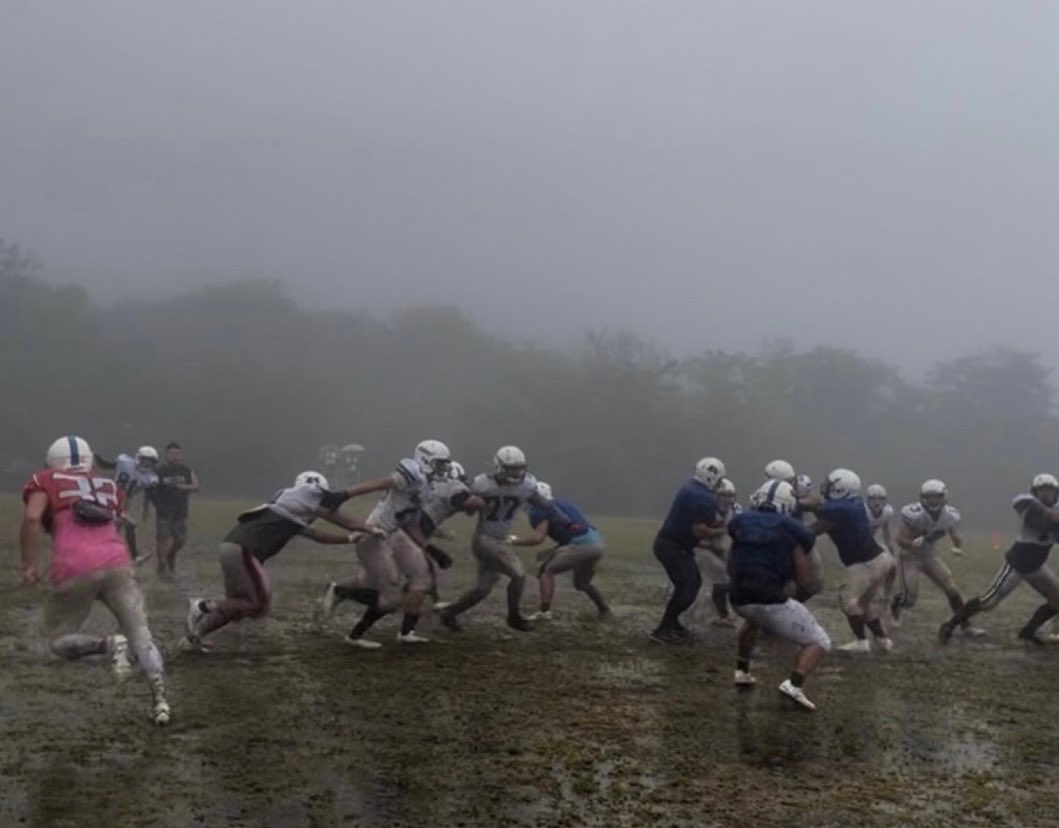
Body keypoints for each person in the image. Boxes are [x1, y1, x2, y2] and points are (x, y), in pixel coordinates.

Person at [20, 436, 171, 725]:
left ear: (53, 460)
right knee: (142, 634)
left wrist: (29, 565)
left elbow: (31, 520)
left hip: (75, 567)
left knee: (58, 642)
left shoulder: (45, 479)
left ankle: (110, 645)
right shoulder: (110, 487)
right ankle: (161, 701)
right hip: (117, 562)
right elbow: (108, 521)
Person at [183, 471, 378, 651]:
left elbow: (317, 535)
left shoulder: (289, 505)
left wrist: (349, 538)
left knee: (238, 604)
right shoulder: (309, 493)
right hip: (245, 549)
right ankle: (201, 606)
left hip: (233, 547)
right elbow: (341, 518)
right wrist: (368, 527)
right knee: (255, 605)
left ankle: (194, 636)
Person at [321, 440, 451, 648]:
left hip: (393, 533)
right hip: (373, 533)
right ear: (426, 460)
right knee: (391, 596)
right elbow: (379, 483)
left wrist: (430, 549)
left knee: (421, 577)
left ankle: (406, 632)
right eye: (440, 463)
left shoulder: (428, 486)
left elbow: (411, 524)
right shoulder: (412, 473)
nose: (443, 468)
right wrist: (344, 494)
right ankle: (347, 615)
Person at [729, 479, 830, 710]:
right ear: (788, 503)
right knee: (820, 641)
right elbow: (803, 578)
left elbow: (732, 562)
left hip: (738, 598)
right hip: (768, 598)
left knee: (753, 621)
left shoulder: (740, 522)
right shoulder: (791, 528)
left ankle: (742, 670)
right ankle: (794, 685)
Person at [939, 474, 1059, 645]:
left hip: (1037, 566)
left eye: (1050, 491)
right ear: (1035, 492)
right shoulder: (1028, 506)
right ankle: (950, 625)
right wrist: (1051, 514)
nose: (1047, 495)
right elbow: (1037, 518)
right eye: (1043, 491)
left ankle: (1028, 631)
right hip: (1016, 565)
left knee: (1057, 601)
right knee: (988, 603)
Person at [438, 445, 547, 633]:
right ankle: (514, 617)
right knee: (518, 573)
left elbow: (544, 503)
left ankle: (448, 612)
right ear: (499, 467)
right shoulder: (482, 483)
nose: (515, 472)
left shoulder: (526, 485)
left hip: (499, 540)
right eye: (510, 468)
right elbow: (464, 504)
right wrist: (469, 505)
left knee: (483, 589)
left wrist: (564, 519)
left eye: (518, 468)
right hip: (485, 539)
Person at [808, 468, 895, 653]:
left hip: (864, 563)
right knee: (864, 605)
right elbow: (826, 513)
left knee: (848, 601)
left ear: (841, 488)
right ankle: (882, 640)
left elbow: (811, 531)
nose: (826, 487)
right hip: (881, 559)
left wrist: (798, 507)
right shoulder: (852, 503)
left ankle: (861, 642)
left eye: (831, 484)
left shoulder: (839, 509)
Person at [649, 456, 728, 644]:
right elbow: (700, 531)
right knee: (688, 587)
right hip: (673, 547)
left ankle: (672, 623)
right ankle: (663, 628)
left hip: (671, 544)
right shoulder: (703, 497)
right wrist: (725, 530)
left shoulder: (692, 488)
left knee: (690, 584)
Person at [890, 480, 983, 636]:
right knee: (909, 599)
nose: (932, 500)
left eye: (936, 496)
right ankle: (894, 607)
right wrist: (911, 544)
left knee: (951, 589)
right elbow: (899, 539)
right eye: (929, 496)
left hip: (929, 555)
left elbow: (955, 533)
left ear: (944, 496)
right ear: (922, 497)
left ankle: (966, 625)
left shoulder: (949, 515)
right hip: (909, 557)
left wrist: (957, 545)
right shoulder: (916, 514)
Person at [509, 481, 610, 620]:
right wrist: (552, 551)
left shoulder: (539, 510)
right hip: (597, 543)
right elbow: (574, 531)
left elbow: (538, 538)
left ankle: (544, 612)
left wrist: (514, 541)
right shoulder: (563, 503)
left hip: (581, 545)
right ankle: (604, 609)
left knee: (546, 572)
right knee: (582, 584)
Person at [94, 446, 160, 563]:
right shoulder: (125, 462)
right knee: (127, 525)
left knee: (115, 529)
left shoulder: (150, 477)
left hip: (124, 503)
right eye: (145, 460)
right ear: (138, 458)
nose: (147, 464)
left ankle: (104, 555)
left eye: (150, 462)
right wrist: (96, 457)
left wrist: (147, 508)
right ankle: (133, 556)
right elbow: (105, 465)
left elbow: (150, 494)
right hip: (110, 498)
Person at [694, 477, 741, 626]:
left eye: (729, 495)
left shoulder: (735, 511)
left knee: (725, 580)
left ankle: (721, 614)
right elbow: (693, 535)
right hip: (700, 549)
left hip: (721, 551)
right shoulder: (705, 509)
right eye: (722, 495)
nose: (726, 499)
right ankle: (703, 617)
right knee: (712, 583)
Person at [149, 442, 199, 580]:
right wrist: (149, 506)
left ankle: (171, 556)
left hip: (180, 511)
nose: (175, 457)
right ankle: (162, 567)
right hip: (164, 510)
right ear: (166, 455)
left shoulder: (186, 470)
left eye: (177, 454)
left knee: (181, 540)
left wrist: (182, 487)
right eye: (172, 454)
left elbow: (196, 486)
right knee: (163, 539)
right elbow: (150, 489)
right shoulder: (159, 471)